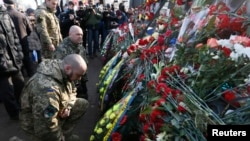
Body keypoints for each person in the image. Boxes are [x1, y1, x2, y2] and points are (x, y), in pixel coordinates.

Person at [19, 54, 89, 141]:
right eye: (78, 75)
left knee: (82, 104)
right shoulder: (47, 90)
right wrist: (58, 138)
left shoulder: (63, 70)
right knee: (50, 132)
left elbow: (73, 90)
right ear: (68, 68)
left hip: (52, 111)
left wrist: (68, 107)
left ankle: (64, 134)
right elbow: (46, 122)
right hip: (36, 124)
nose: (79, 79)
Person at [0, 4, 25, 120]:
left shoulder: (5, 14)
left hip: (14, 58)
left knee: (20, 84)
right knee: (7, 91)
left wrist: (19, 53)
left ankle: (24, 107)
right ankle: (14, 114)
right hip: (1, 63)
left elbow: (15, 35)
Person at [54, 25, 89, 99]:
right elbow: (59, 70)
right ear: (70, 34)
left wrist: (84, 80)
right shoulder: (62, 49)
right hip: (69, 84)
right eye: (77, 34)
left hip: (80, 81)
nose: (80, 36)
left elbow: (85, 63)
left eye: (81, 35)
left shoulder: (80, 47)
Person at [4, 0, 34, 77]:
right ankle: (30, 74)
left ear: (4, 4)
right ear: (14, 4)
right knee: (27, 57)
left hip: (11, 43)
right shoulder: (21, 15)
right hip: (23, 40)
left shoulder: (4, 17)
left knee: (15, 59)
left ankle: (22, 75)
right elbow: (30, 30)